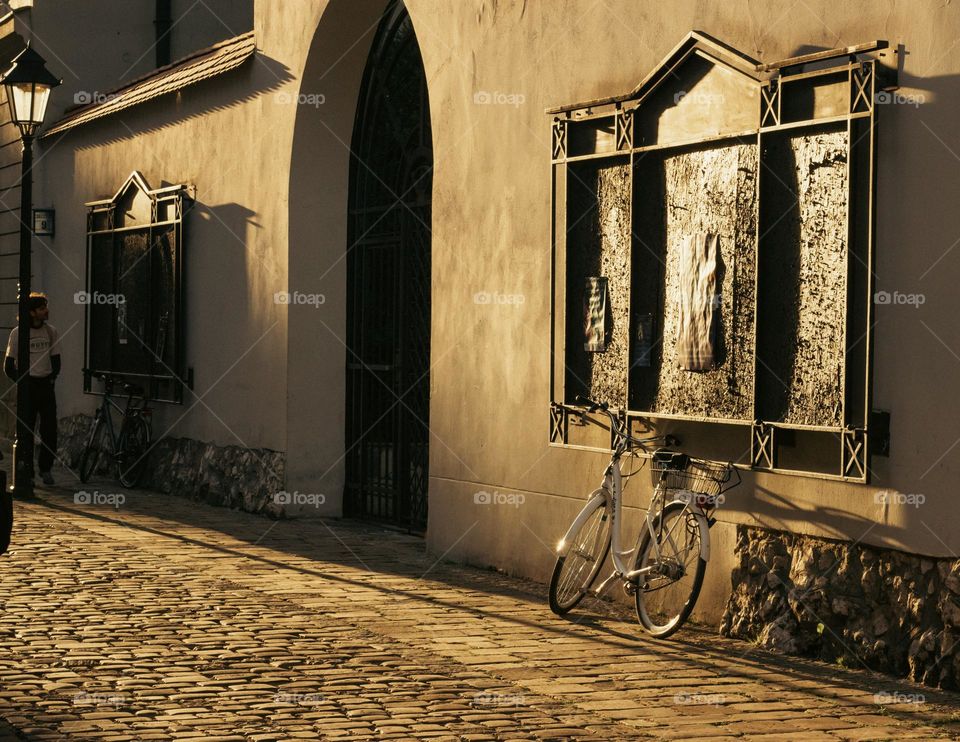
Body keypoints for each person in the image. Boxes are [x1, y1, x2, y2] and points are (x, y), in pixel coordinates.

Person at [4, 292, 60, 486]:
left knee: (50, 430)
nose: (46, 311)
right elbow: (9, 365)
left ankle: (45, 468)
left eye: (45, 306)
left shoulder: (51, 331)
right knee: (25, 430)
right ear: (32, 312)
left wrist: (51, 379)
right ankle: (26, 469)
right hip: (28, 386)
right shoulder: (18, 333)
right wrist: (22, 381)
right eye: (42, 308)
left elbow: (56, 360)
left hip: (45, 385)